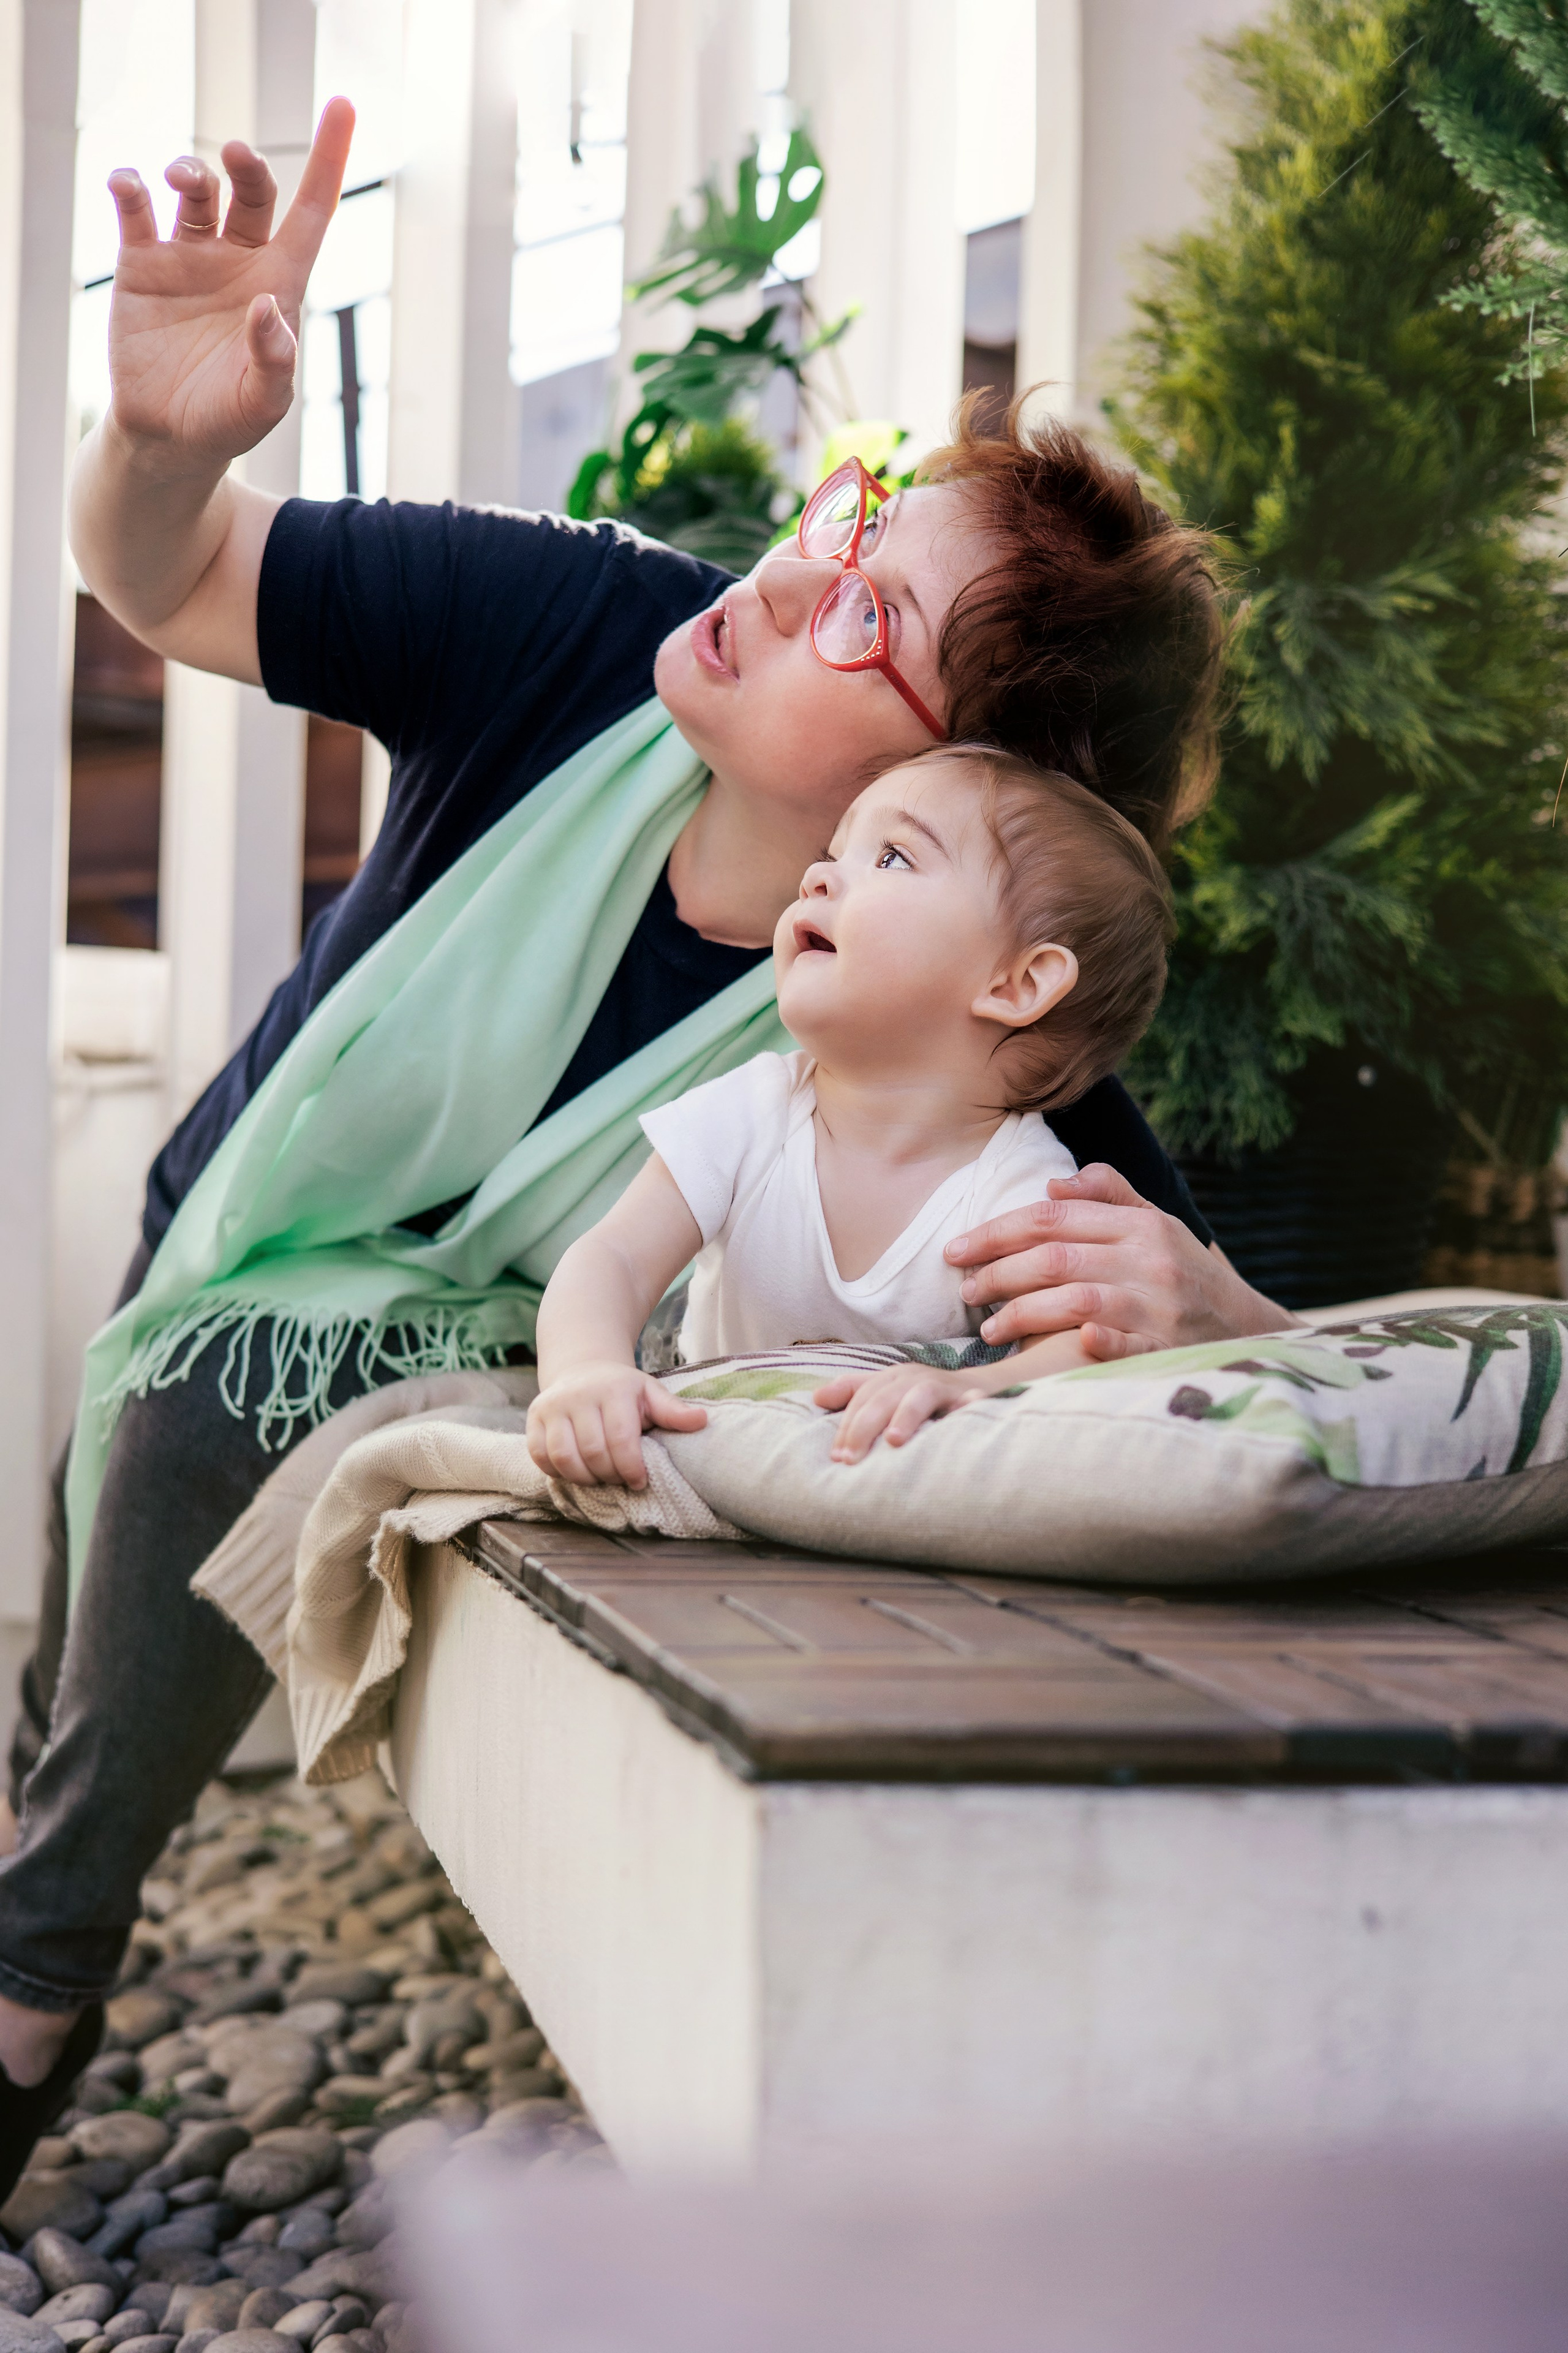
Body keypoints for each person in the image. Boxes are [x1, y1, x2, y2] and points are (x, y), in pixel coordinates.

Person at [0, 97, 1294, 2177]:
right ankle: (43, 1838)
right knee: (127, 1501)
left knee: (195, 1421)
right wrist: (163, 441)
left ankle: (27, 1992)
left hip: (521, 1353)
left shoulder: (942, 1026)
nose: (795, 581)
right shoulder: (584, 629)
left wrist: (1199, 1288)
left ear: (988, 814)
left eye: (871, 622)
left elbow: (1234, 1334)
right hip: (243, 1231)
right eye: (845, 532)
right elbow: (177, 576)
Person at [527, 743, 1173, 1486]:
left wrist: (968, 1389)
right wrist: (584, 1372)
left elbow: (1081, 1346)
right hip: (695, 1380)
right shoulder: (751, 1112)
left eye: (892, 856)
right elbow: (610, 1258)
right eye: (836, 851)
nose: (818, 874)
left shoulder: (1018, 1189)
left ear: (1017, 982)